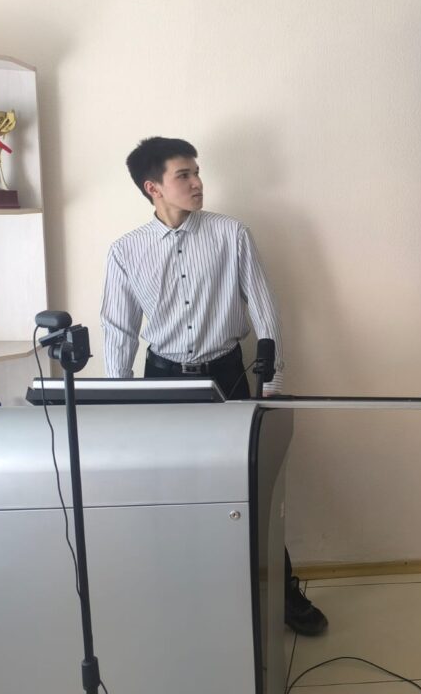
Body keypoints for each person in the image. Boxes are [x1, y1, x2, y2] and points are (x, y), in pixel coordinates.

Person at [99, 136, 328, 636]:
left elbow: (264, 306)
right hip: (162, 381)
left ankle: (283, 592)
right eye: (184, 175)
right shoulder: (126, 252)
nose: (198, 182)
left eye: (197, 171)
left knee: (249, 484)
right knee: (168, 492)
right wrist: (120, 399)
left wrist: (272, 380)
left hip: (228, 374)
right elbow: (118, 330)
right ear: (153, 187)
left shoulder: (231, 234)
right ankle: (185, 593)